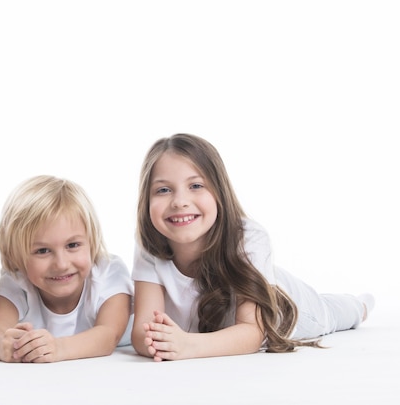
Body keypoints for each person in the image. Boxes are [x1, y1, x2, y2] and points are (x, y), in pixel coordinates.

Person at [131, 133, 375, 361]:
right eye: (163, 190)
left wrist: (186, 346)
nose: (180, 202)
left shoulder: (247, 237)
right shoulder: (150, 247)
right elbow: (143, 332)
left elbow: (252, 333)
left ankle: (359, 306)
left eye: (196, 185)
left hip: (294, 309)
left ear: (219, 193)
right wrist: (161, 342)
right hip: (209, 333)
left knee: (331, 312)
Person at [0, 175, 133, 363]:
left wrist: (57, 348)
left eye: (73, 245)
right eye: (42, 251)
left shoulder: (109, 273)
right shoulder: (17, 281)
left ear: (91, 243)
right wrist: (3, 346)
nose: (61, 264)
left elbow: (108, 336)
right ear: (16, 257)